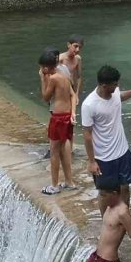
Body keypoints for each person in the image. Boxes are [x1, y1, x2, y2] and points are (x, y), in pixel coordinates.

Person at [81, 66, 131, 209]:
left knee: (125, 187)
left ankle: (124, 217)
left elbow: (119, 97)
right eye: (114, 84)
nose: (117, 86)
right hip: (103, 157)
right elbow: (87, 135)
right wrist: (91, 161)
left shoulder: (114, 92)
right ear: (103, 85)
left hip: (122, 152)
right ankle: (106, 224)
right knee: (105, 193)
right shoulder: (89, 105)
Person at [38, 50, 76, 194]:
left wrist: (43, 79)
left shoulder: (53, 78)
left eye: (42, 67)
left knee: (54, 151)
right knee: (62, 148)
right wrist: (73, 113)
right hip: (66, 116)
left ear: (46, 68)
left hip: (58, 117)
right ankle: (69, 182)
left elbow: (46, 97)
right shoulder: (64, 76)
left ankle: (54, 185)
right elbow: (72, 95)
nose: (41, 70)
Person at [59, 36, 84, 100]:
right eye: (75, 46)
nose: (78, 49)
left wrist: (76, 94)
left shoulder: (78, 59)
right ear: (68, 45)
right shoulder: (60, 59)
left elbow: (79, 77)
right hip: (60, 89)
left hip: (71, 88)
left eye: (80, 47)